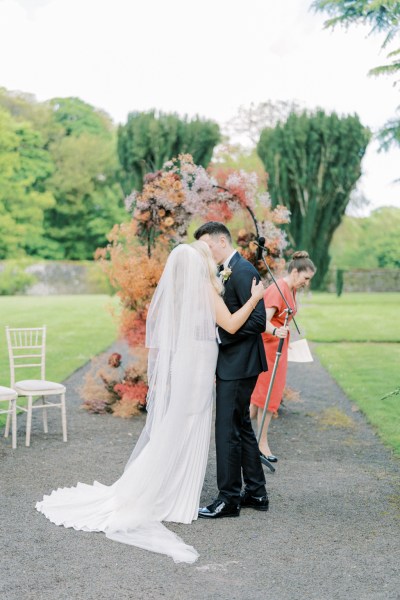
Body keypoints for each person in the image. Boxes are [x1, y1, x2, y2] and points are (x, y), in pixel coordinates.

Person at [35, 242, 266, 564]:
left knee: (180, 425)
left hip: (189, 365)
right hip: (198, 369)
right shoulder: (205, 290)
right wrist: (255, 299)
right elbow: (228, 325)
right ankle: (172, 496)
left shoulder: (183, 294)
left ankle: (170, 492)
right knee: (189, 425)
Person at [194, 222, 269, 520]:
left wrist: (219, 336)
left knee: (226, 430)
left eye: (207, 246)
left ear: (221, 241)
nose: (205, 252)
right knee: (240, 426)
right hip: (235, 363)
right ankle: (256, 491)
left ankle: (228, 499)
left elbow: (258, 322)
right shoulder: (225, 270)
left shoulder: (243, 271)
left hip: (239, 365)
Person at [250, 250, 316, 461]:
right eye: (306, 278)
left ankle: (245, 438)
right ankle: (261, 444)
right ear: (295, 272)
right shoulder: (278, 290)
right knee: (268, 397)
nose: (307, 283)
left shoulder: (290, 288)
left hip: (278, 348)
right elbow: (262, 320)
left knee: (260, 398)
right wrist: (276, 331)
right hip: (269, 349)